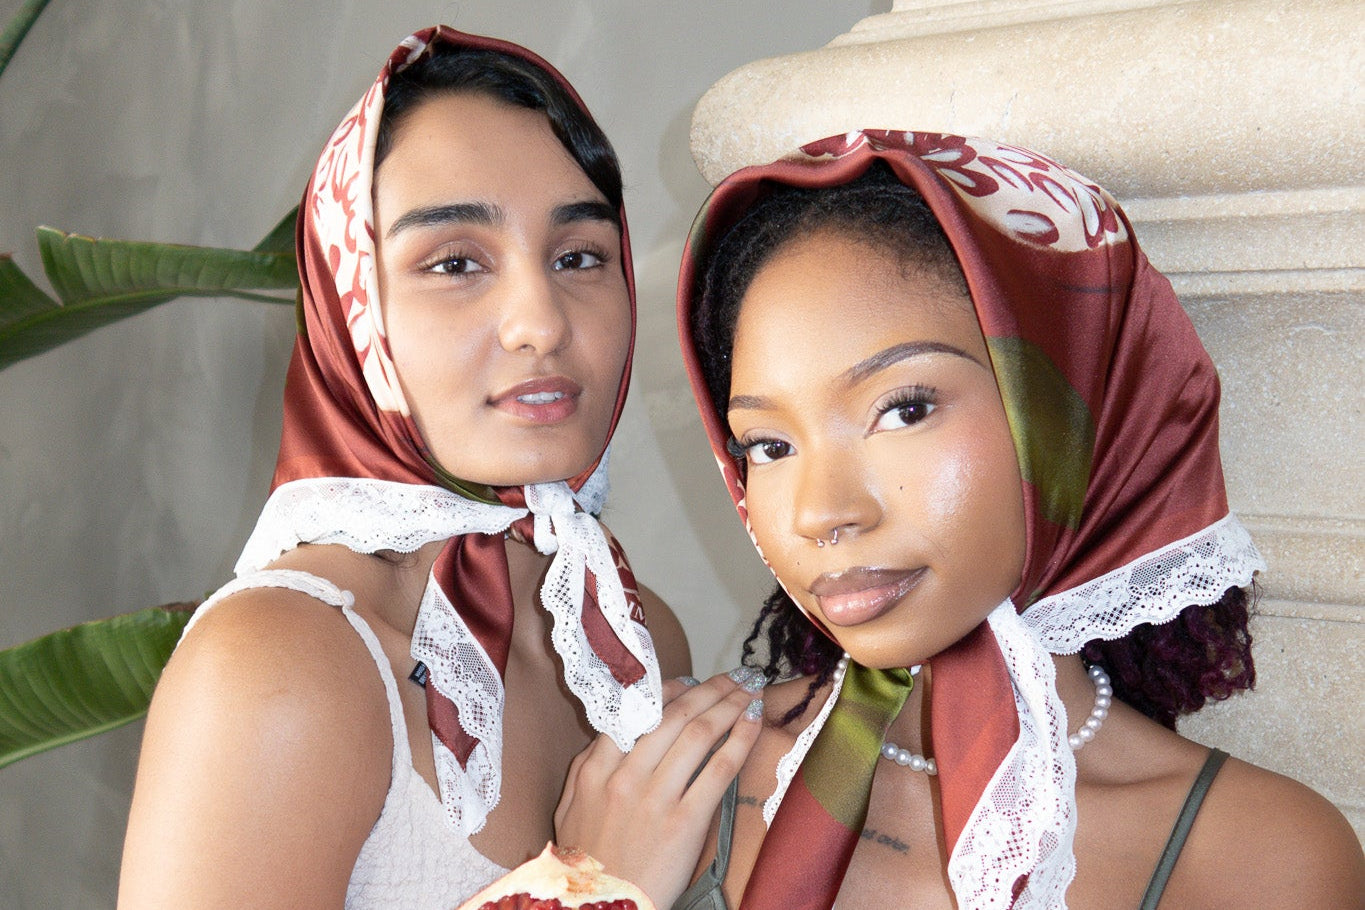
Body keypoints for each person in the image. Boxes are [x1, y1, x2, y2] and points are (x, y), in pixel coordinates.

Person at [118, 26, 757, 909]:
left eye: (579, 257)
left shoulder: (635, 643)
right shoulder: (281, 667)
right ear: (352, 312)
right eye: (455, 263)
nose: (540, 322)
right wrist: (589, 889)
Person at [672, 131, 1365, 909]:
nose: (820, 512)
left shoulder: (1256, 858)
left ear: (1074, 416)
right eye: (768, 445)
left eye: (903, 410)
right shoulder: (687, 775)